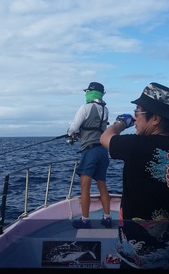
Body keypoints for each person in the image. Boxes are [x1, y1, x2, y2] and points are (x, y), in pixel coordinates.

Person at [100, 81, 169, 269]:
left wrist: (122, 122)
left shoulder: (136, 146)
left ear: (155, 119)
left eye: (138, 112)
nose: (135, 117)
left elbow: (105, 138)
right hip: (168, 255)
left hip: (135, 259)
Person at [67, 82, 112, 229]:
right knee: (102, 185)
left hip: (90, 151)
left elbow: (74, 127)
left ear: (90, 92)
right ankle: (107, 218)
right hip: (103, 151)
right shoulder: (105, 109)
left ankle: (85, 220)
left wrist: (70, 133)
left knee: (85, 187)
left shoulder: (85, 107)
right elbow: (97, 128)